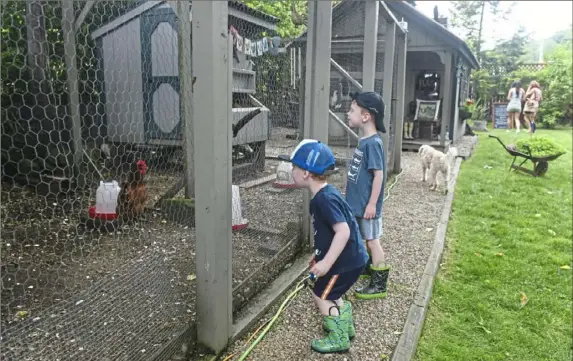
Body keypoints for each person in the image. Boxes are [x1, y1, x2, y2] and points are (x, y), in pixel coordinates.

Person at [279, 139, 368, 354]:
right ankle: (343, 321)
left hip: (343, 263)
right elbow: (328, 234)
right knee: (332, 291)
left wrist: (327, 263)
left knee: (322, 294)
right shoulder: (327, 194)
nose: (292, 170)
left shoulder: (322, 201)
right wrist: (319, 256)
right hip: (351, 259)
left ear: (306, 173)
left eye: (295, 167)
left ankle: (338, 338)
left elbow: (343, 231)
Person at [345, 91, 390, 300]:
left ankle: (379, 283)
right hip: (359, 204)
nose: (348, 113)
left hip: (367, 206)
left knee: (372, 240)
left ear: (366, 116)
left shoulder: (373, 143)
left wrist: (372, 204)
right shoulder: (364, 141)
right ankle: (369, 267)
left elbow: (379, 175)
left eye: (352, 110)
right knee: (364, 238)